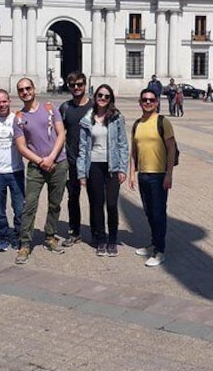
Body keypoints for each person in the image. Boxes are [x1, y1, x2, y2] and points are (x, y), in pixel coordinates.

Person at [12, 77, 68, 264]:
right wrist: (41, 161)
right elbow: (21, 147)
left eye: (28, 88)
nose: (25, 92)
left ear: (34, 89)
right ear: (19, 93)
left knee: (55, 203)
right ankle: (25, 244)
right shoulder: (19, 117)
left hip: (58, 163)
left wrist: (51, 157)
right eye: (21, 90)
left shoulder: (50, 109)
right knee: (29, 205)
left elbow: (62, 134)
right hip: (36, 167)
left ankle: (50, 235)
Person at [77, 84, 129, 257]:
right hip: (93, 165)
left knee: (112, 204)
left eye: (107, 96)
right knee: (97, 204)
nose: (103, 99)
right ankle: (101, 239)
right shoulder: (87, 118)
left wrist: (123, 168)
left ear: (111, 99)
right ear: (95, 97)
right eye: (100, 95)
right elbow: (83, 147)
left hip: (112, 166)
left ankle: (112, 239)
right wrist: (81, 173)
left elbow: (123, 144)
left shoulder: (116, 117)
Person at [128, 88, 177, 267]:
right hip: (143, 175)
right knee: (149, 212)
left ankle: (159, 250)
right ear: (140, 102)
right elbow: (134, 151)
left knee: (158, 213)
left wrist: (169, 174)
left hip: (159, 175)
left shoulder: (163, 122)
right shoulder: (137, 124)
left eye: (151, 100)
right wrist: (132, 174)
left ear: (156, 102)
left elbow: (171, 149)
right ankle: (153, 243)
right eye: (144, 100)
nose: (148, 102)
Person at [0, 89, 24, 252]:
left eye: (4, 101)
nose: (2, 105)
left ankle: (17, 235)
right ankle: (3, 236)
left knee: (19, 208)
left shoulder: (18, 119)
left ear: (9, 101)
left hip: (15, 171)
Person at [59, 71, 93, 247]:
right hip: (72, 159)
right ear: (69, 86)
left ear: (85, 85)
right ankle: (74, 232)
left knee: (95, 198)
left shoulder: (95, 106)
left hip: (93, 160)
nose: (77, 88)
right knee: (73, 197)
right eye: (73, 85)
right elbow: (58, 133)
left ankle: (97, 232)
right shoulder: (65, 108)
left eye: (80, 84)